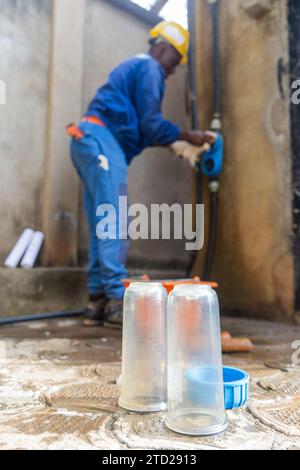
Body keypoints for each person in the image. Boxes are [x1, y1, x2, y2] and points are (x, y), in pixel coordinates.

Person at [69, 21, 214, 327]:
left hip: (88, 140)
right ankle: (117, 299)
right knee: (114, 220)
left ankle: (97, 300)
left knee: (102, 221)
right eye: (174, 62)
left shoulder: (134, 69)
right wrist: (190, 135)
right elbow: (151, 124)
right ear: (162, 49)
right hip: (101, 141)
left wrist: (177, 143)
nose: (172, 72)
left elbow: (144, 131)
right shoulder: (149, 68)